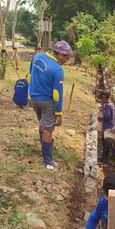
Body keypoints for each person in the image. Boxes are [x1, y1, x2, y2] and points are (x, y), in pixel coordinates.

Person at [28, 40, 72, 169]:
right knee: (48, 129)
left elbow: (31, 74)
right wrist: (59, 114)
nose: (67, 60)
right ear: (61, 55)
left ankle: (44, 150)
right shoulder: (57, 70)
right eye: (67, 57)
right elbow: (57, 94)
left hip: (34, 98)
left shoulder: (37, 57)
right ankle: (48, 160)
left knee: (42, 123)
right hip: (47, 102)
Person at [100, 90, 115, 164]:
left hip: (107, 127)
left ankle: (105, 159)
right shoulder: (111, 104)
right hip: (110, 126)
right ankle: (109, 158)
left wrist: (101, 118)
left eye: (103, 98)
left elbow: (107, 116)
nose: (102, 99)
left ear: (105, 98)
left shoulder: (108, 106)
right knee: (109, 144)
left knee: (106, 143)